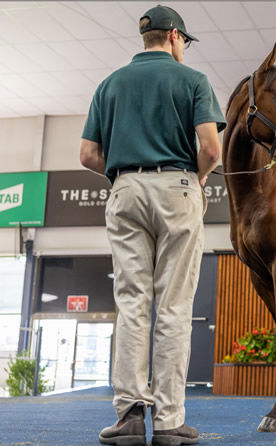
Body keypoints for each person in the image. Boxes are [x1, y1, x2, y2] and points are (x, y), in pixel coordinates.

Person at [80, 5, 226, 445]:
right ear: (176, 38)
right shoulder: (193, 80)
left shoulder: (110, 85)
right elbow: (211, 149)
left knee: (132, 303)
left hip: (125, 189)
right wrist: (196, 178)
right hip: (179, 188)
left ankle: (128, 416)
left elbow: (87, 155)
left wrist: (126, 175)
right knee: (175, 306)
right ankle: (168, 421)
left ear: (147, 38)